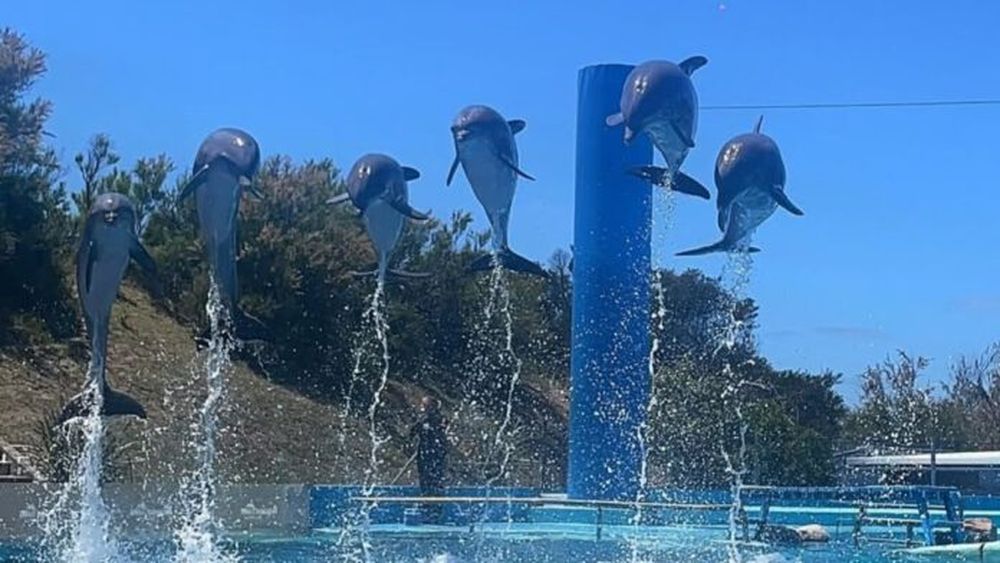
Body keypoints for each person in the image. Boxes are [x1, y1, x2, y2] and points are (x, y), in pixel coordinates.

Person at [409, 396, 448, 523]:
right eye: (423, 406)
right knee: (424, 479)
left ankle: (438, 507)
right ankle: (426, 503)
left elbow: (443, 430)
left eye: (426, 406)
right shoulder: (422, 420)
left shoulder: (440, 419)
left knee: (436, 479)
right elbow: (412, 432)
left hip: (437, 455)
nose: (423, 408)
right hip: (423, 455)